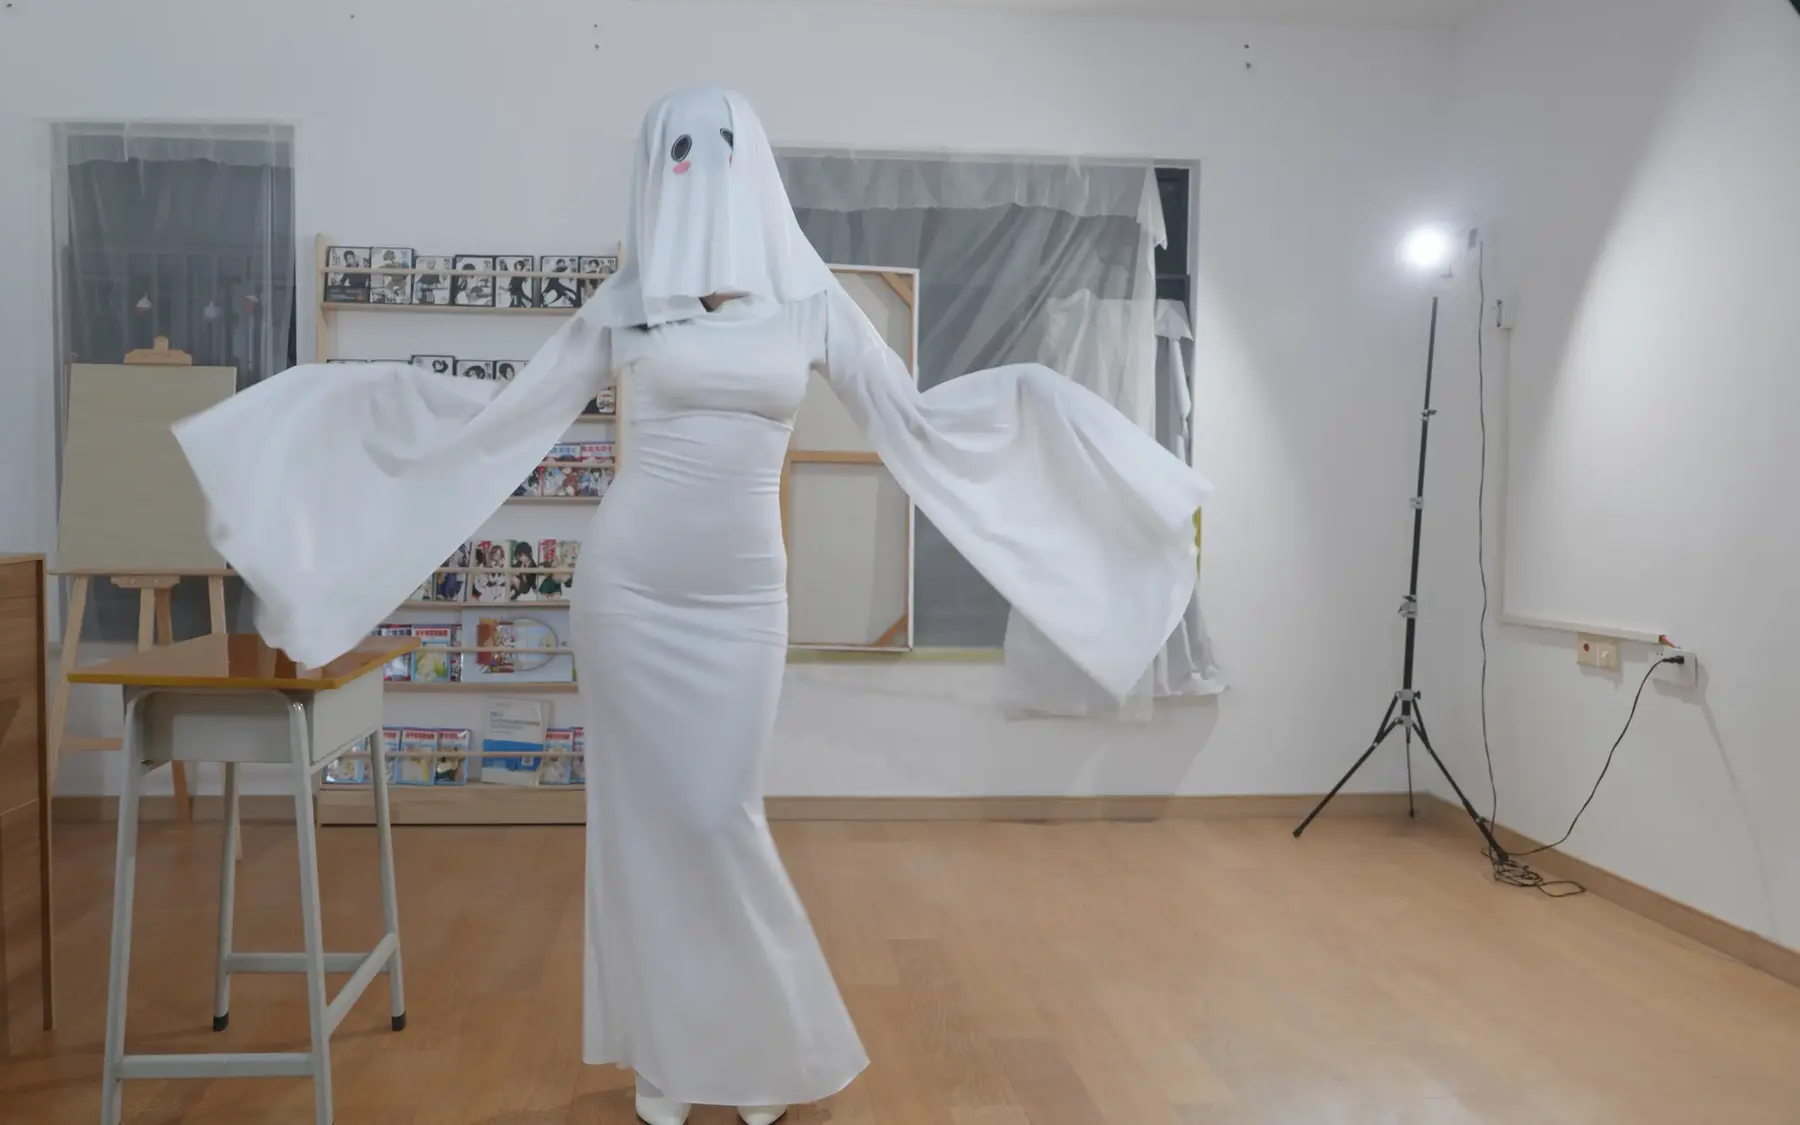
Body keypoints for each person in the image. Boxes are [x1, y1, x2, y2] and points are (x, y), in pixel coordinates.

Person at [173, 87, 1208, 1125]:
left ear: (752, 163)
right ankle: (668, 1063)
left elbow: (914, 420)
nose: (701, 167)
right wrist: (340, 412)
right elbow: (503, 419)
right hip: (628, 594)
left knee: (720, 815)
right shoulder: (628, 303)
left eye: (721, 144)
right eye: (679, 148)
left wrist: (1042, 410)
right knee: (642, 828)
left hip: (742, 597)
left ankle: (758, 1050)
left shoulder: (809, 302)